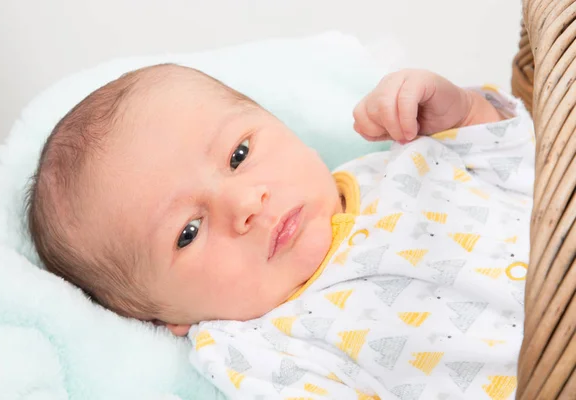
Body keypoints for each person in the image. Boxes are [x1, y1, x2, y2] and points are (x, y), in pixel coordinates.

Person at [27, 64, 533, 399]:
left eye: (239, 155)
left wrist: (465, 113)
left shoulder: (400, 162)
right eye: (188, 232)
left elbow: (529, 166)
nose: (245, 203)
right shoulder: (259, 350)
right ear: (164, 320)